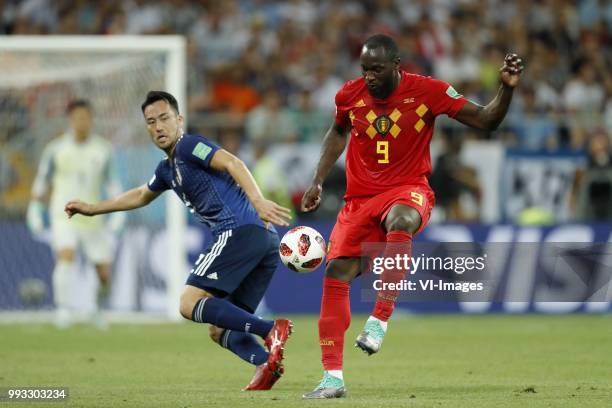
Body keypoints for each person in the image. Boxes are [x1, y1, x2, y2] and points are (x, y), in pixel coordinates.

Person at [300, 34, 523, 399]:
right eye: (365, 69)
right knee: (336, 273)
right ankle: (332, 378)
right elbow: (338, 131)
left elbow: (486, 120)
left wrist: (506, 88)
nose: (370, 76)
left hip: (408, 188)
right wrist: (317, 180)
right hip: (359, 200)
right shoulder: (348, 95)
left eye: (377, 69)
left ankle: (379, 319)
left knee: (401, 221)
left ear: (396, 66)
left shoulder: (428, 92)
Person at [64, 91, 293, 391]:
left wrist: (258, 200)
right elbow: (140, 195)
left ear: (179, 119)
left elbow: (233, 163)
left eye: (164, 118)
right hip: (264, 241)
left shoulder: (189, 146)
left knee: (188, 303)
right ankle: (266, 362)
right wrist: (93, 208)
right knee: (220, 329)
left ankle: (270, 329)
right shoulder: (166, 169)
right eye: (151, 122)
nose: (158, 127)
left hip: (239, 230)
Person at [27, 99, 125, 329]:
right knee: (66, 255)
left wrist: (118, 215)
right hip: (64, 215)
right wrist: (35, 208)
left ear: (91, 120)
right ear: (70, 120)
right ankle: (63, 310)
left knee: (103, 273)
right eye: (78, 117)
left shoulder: (104, 150)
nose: (82, 122)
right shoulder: (55, 149)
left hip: (93, 218)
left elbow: (113, 185)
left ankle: (96, 309)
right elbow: (42, 181)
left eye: (86, 117)